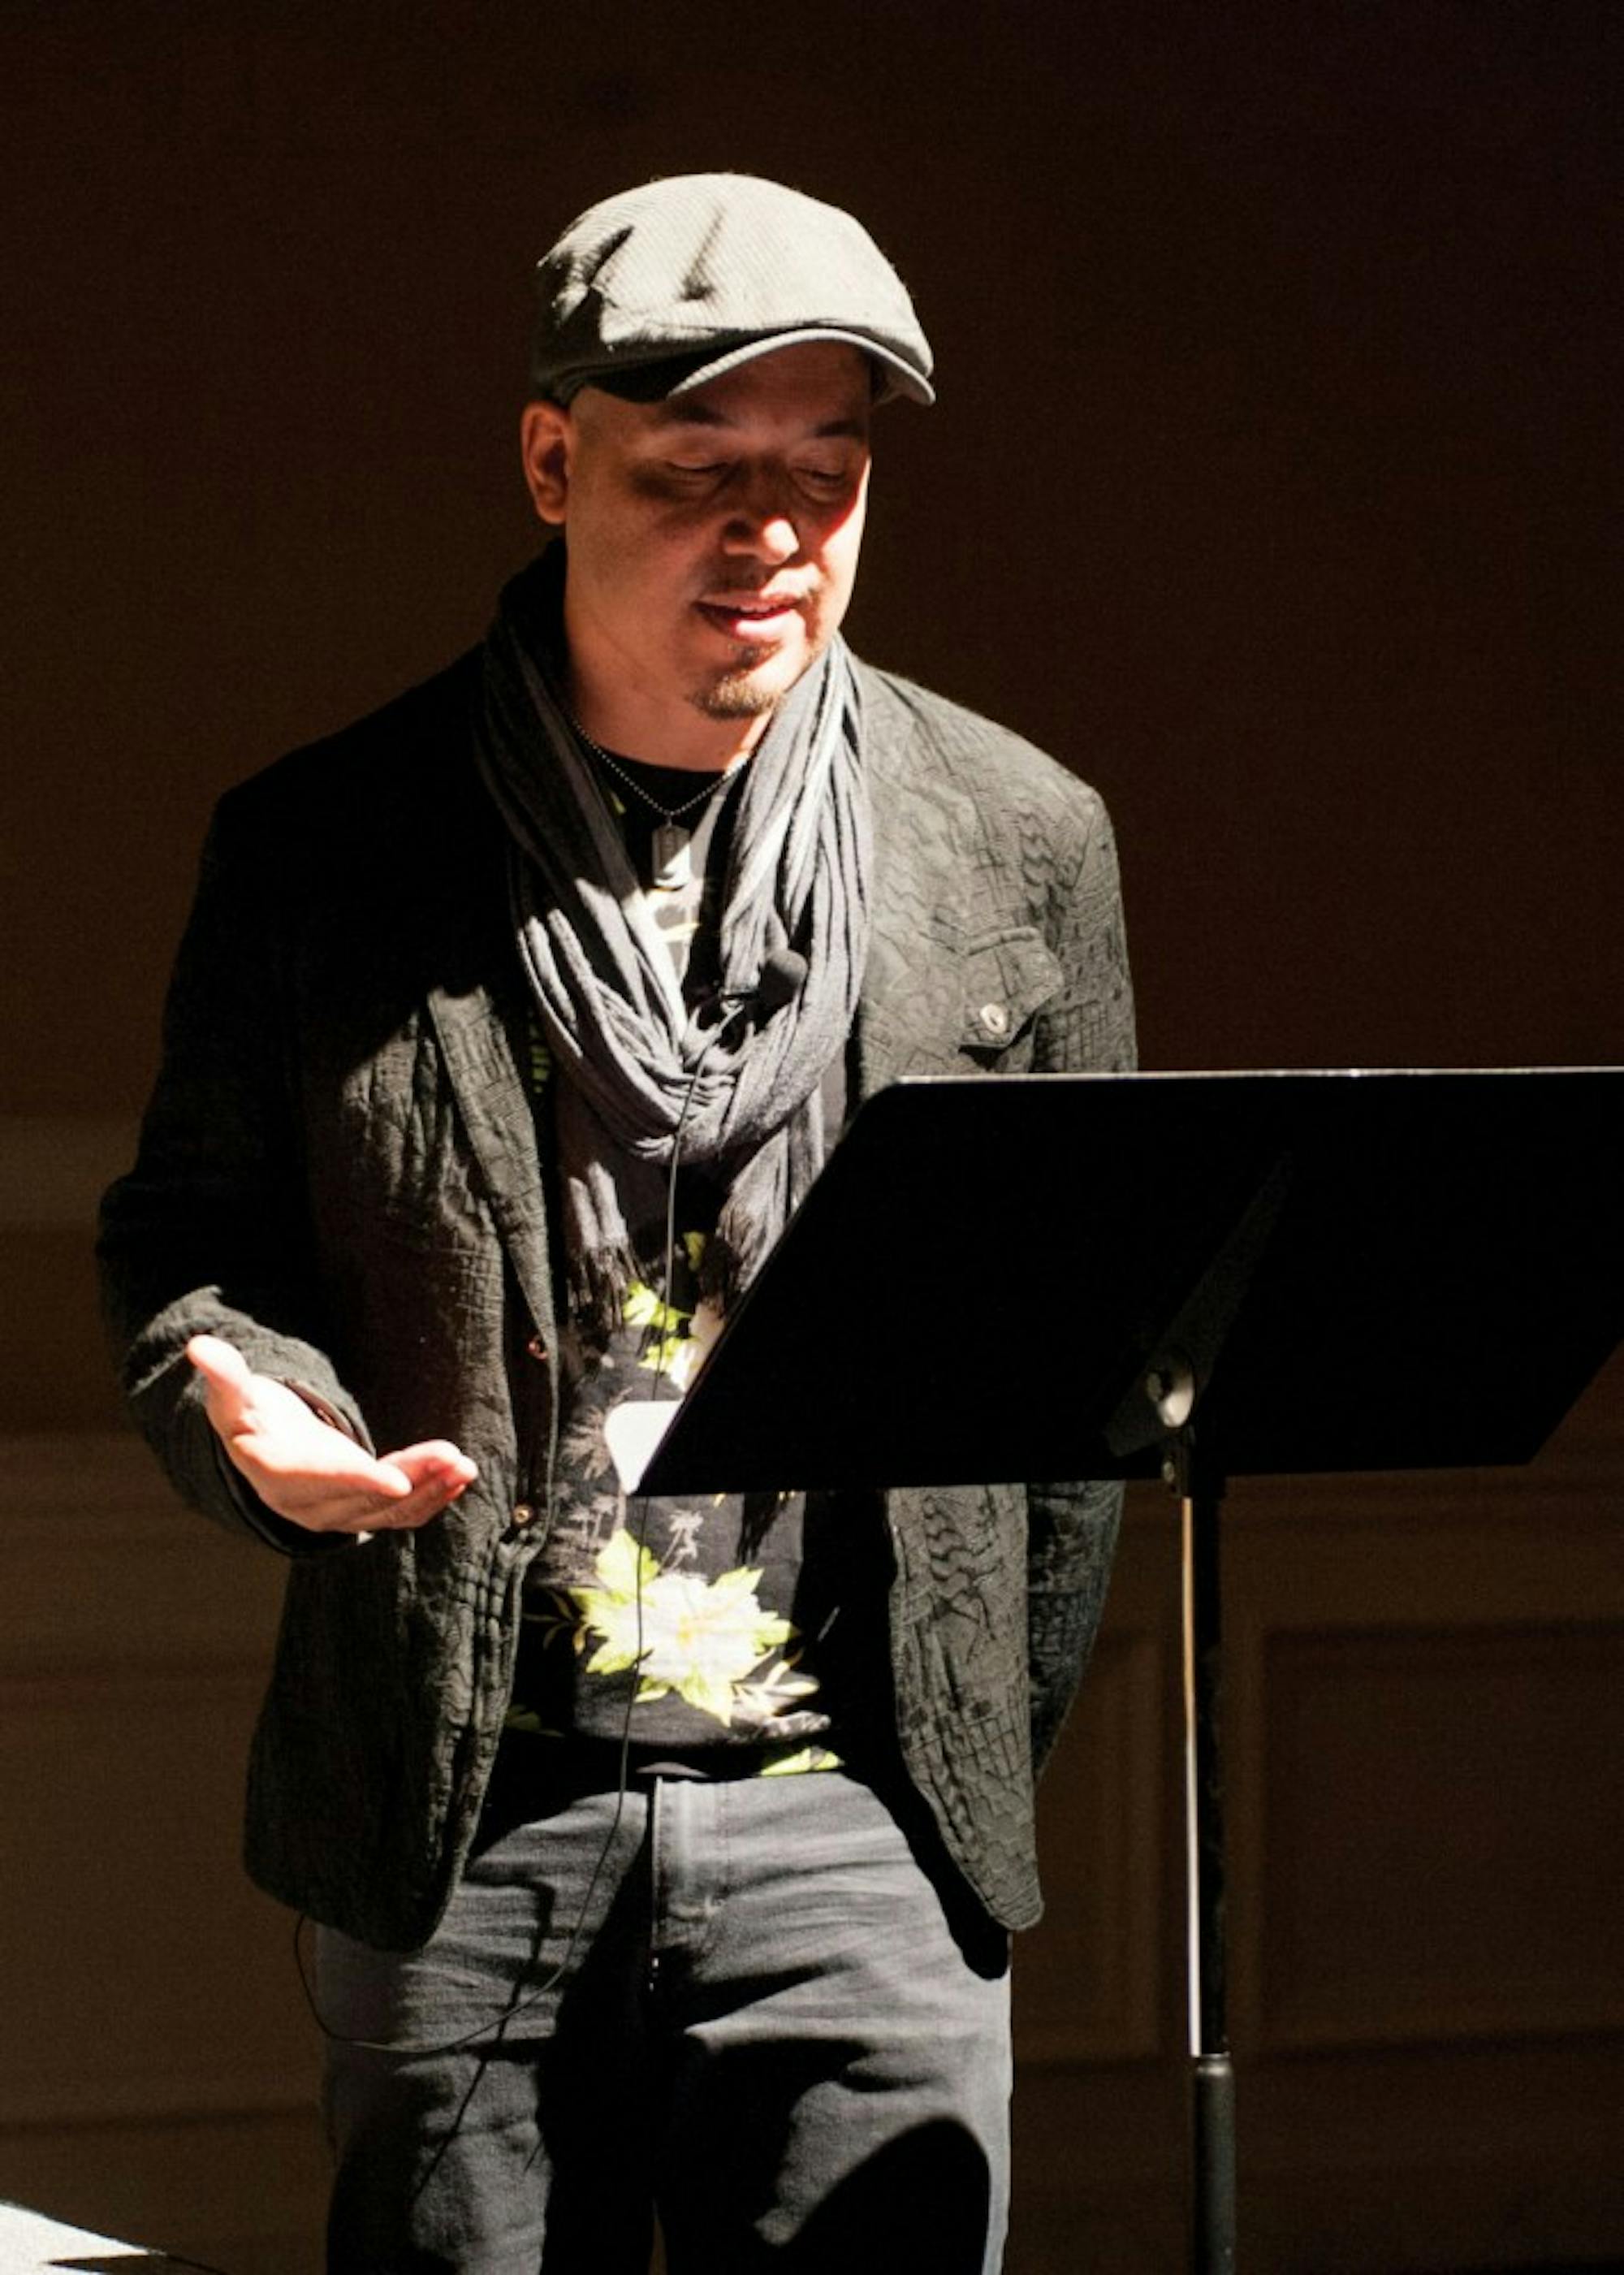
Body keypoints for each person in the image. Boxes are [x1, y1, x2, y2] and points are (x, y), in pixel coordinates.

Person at [97, 172, 1135, 2273]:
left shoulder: (1017, 841)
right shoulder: (326, 845)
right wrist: (246, 1406)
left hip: (865, 1824)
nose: (773, 532)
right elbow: (193, 1244)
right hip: (469, 1817)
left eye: (826, 472)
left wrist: (958, 1772)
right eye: (696, 471)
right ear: (552, 462)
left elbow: (1076, 1353)